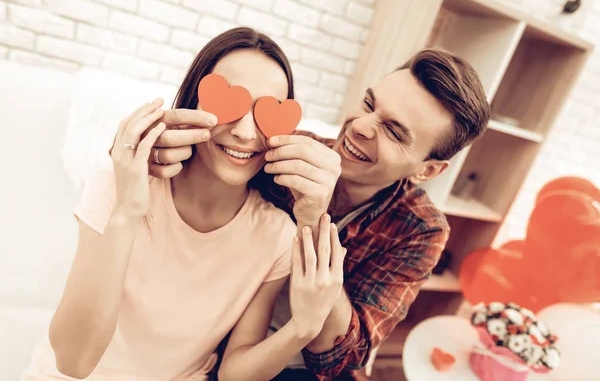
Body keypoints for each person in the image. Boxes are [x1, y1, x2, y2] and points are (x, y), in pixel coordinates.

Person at [21, 27, 345, 381]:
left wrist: (304, 327)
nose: (247, 133)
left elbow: (234, 373)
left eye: (267, 114)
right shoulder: (120, 183)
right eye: (230, 103)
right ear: (194, 100)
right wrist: (127, 210)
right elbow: (73, 361)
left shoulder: (277, 235)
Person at [149, 48, 491, 380]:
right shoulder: (281, 147)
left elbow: (342, 356)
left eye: (394, 131)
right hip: (216, 341)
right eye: (369, 104)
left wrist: (312, 220)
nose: (361, 127)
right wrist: (152, 156)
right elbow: (199, 161)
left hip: (302, 366)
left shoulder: (420, 229)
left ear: (428, 171)